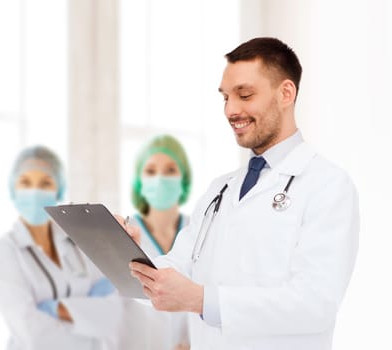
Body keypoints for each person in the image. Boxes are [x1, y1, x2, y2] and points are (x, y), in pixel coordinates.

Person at [129, 37, 360, 350]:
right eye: (225, 97)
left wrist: (202, 300)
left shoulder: (327, 185)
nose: (231, 110)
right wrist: (127, 252)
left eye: (245, 95)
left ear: (286, 93)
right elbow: (177, 270)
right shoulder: (220, 190)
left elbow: (314, 304)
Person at [0, 145, 124, 350]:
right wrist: (87, 322)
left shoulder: (79, 240)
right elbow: (33, 336)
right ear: (13, 189)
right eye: (25, 182)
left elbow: (112, 315)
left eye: (45, 183)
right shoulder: (4, 252)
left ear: (57, 189)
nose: (34, 191)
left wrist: (53, 309)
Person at [116, 134, 191, 350]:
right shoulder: (124, 233)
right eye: (150, 171)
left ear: (183, 179)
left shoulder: (198, 230)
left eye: (170, 170)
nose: (160, 179)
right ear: (139, 181)